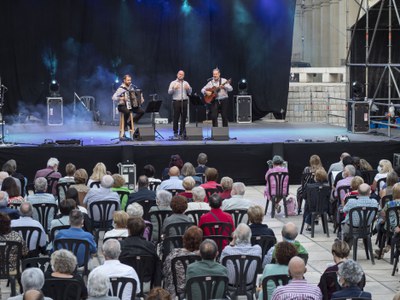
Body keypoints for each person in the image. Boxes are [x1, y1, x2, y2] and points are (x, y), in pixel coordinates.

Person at [119, 217, 161, 287]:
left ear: (128, 230)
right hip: (146, 282)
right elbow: (157, 267)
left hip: (125, 282)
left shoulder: (121, 245)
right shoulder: (150, 246)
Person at [162, 225, 203, 298]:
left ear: (184, 239)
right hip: (195, 293)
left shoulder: (174, 254)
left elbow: (165, 272)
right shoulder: (203, 256)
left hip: (173, 293)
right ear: (200, 241)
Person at [112, 74, 145, 140]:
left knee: (141, 111)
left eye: (130, 80)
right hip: (122, 106)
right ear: (124, 80)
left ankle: (129, 123)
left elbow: (135, 96)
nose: (129, 81)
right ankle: (124, 129)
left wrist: (141, 99)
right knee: (127, 111)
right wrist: (122, 98)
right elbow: (113, 97)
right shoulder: (121, 89)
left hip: (131, 106)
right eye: (128, 80)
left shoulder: (132, 88)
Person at [168, 70, 192, 138]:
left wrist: (188, 89)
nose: (180, 75)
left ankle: (182, 131)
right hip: (176, 101)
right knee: (176, 117)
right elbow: (169, 92)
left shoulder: (185, 83)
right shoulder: (173, 83)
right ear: (177, 74)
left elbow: (190, 92)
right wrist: (174, 89)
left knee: (184, 117)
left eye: (182, 74)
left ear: (183, 76)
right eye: (179, 74)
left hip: (184, 101)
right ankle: (175, 132)